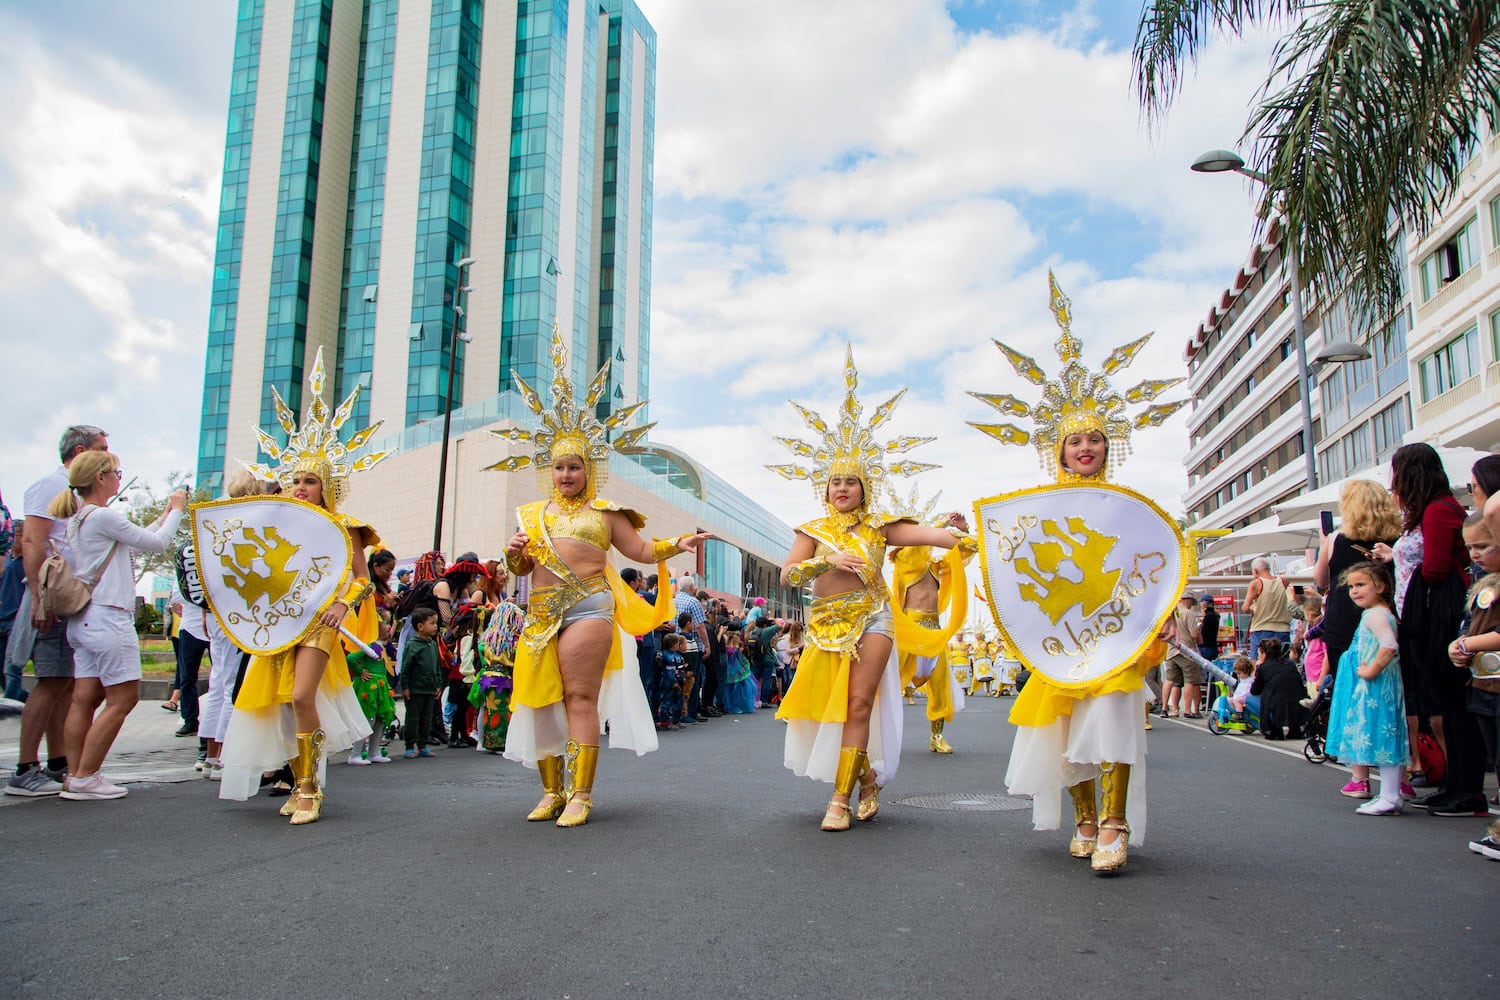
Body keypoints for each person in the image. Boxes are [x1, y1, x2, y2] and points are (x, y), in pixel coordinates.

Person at [970, 274, 1187, 872]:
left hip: (1115, 628)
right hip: (1063, 630)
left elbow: (1157, 563)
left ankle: (1115, 824)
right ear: (1058, 450)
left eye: (1095, 438)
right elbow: (1017, 571)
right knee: (1067, 731)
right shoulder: (1037, 511)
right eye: (1075, 440)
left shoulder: (1128, 509)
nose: (1085, 448)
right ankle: (1086, 821)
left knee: (1114, 718)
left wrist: (1162, 615)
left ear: (1108, 446)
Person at [496, 329, 707, 827]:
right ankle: (551, 790)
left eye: (574, 466)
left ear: (589, 469)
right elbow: (523, 569)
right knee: (537, 699)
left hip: (590, 608)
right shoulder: (530, 514)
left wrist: (677, 545)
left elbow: (638, 549)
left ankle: (581, 794)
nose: (566, 474)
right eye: (559, 467)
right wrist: (512, 557)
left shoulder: (609, 512)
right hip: (541, 612)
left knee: (578, 696)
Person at [769, 345, 970, 832]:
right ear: (826, 488)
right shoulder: (812, 528)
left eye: (851, 482)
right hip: (825, 625)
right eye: (835, 481)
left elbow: (933, 536)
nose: (842, 488)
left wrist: (961, 533)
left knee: (859, 703)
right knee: (831, 709)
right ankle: (866, 779)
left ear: (864, 488)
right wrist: (826, 560)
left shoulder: (881, 528)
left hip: (874, 617)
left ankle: (839, 800)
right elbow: (787, 575)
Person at [215, 348, 383, 825]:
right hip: (279, 620)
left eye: (310, 480)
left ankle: (310, 788)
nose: (300, 487)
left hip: (320, 620)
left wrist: (341, 607)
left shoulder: (343, 527)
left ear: (325, 486)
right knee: (283, 703)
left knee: (302, 696)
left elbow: (362, 581)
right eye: (294, 480)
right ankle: (297, 776)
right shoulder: (274, 525)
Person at [47, 452, 186, 800]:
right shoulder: (103, 516)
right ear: (100, 478)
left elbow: (136, 536)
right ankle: (87, 774)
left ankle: (76, 773)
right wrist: (179, 510)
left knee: (84, 699)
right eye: (115, 473)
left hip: (85, 619)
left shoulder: (80, 518)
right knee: (122, 700)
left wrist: (165, 515)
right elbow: (156, 543)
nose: (118, 478)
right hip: (109, 618)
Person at [6, 424, 110, 798]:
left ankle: (57, 761)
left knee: (65, 681)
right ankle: (24, 767)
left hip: (72, 599)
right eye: (102, 449)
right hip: (54, 597)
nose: (108, 457)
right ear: (80, 450)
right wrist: (38, 596)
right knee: (50, 682)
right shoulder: (49, 486)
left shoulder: (75, 491)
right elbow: (33, 539)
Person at [1380, 442, 1483, 816]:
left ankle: (1466, 787)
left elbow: (1437, 567)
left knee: (1454, 705)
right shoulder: (1436, 510)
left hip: (1436, 620)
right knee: (1448, 705)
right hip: (1430, 616)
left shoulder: (1438, 511)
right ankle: (1457, 783)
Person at [887, 488, 972, 754]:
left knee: (940, 686)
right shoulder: (903, 559)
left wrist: (962, 530)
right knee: (889, 683)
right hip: (909, 630)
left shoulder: (934, 568)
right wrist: (943, 525)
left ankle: (936, 736)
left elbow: (960, 555)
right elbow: (918, 547)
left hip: (934, 631)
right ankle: (875, 735)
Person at [1323, 562, 1407, 815]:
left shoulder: (1375, 615)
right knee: (1384, 735)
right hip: (1380, 684)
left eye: (1361, 585)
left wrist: (1371, 670)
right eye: (1350, 587)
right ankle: (1390, 794)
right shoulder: (1378, 613)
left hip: (1377, 686)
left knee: (1383, 735)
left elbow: (1389, 644)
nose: (1354, 591)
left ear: (1380, 586)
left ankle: (1390, 796)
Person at [1449, 512, 1500, 858]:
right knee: (1496, 757)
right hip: (1482, 684)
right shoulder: (1483, 585)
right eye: (1471, 547)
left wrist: (1468, 645)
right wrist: (1458, 646)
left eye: (1483, 545)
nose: (1475, 554)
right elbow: (1471, 629)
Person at [401, 608, 441, 758]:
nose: (435, 626)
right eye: (432, 623)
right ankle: (410, 745)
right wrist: (405, 686)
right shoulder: (413, 645)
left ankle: (423, 745)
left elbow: (436, 666)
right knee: (413, 718)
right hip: (415, 689)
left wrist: (438, 684)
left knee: (426, 719)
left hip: (429, 689)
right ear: (420, 626)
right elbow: (406, 667)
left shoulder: (433, 645)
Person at [1249, 637, 1305, 740]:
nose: (1258, 656)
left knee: (1252, 698)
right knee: (1285, 691)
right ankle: (1295, 729)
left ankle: (1274, 730)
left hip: (1276, 707)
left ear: (1264, 654)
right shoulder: (1290, 664)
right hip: (1298, 706)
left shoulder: (1263, 667)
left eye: (1259, 654)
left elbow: (1254, 690)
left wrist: (1255, 671)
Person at [1161, 595, 1203, 718]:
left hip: (1171, 650)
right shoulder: (1187, 613)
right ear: (1187, 600)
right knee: (1191, 680)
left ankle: (1167, 708)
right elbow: (1194, 634)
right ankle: (1188, 710)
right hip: (1186, 651)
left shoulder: (1169, 612)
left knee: (1171, 680)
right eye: (1191, 602)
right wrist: (1199, 630)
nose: (1191, 605)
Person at [1243, 557, 1293, 659]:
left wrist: (1253, 609)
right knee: (1281, 663)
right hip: (1283, 631)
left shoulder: (1256, 584)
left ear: (1255, 571)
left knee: (1258, 664)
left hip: (1261, 630)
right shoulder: (1283, 581)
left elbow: (1245, 608)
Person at [720, 628, 758, 714]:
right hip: (734, 670)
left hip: (733, 670)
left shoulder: (728, 647)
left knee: (733, 689)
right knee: (737, 689)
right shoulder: (731, 648)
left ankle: (733, 706)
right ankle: (735, 706)